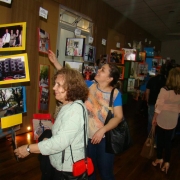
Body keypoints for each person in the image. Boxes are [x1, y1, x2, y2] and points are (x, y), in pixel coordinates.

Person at [48, 50, 123, 180]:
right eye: (100, 68)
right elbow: (70, 79)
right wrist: (55, 62)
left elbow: (118, 117)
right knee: (89, 170)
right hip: (86, 138)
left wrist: (102, 130)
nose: (98, 70)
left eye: (103, 70)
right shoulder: (89, 86)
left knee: (106, 173)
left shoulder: (115, 94)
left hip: (104, 139)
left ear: (110, 78)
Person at [14, 68, 89, 180]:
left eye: (58, 85)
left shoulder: (75, 110)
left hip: (68, 170)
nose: (54, 88)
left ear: (71, 87)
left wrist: (28, 149)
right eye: (55, 84)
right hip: (61, 164)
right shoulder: (68, 105)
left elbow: (60, 142)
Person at [151, 68, 180, 174]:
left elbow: (159, 105)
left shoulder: (165, 89)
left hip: (163, 115)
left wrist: (154, 117)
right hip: (173, 116)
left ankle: (159, 158)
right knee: (168, 141)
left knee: (160, 139)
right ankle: (167, 162)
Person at [145, 66, 166, 134]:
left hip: (152, 101)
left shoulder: (152, 79)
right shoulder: (166, 81)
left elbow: (147, 92)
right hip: (162, 104)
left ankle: (151, 136)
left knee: (150, 120)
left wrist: (147, 100)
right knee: (160, 121)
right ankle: (157, 136)